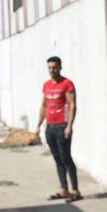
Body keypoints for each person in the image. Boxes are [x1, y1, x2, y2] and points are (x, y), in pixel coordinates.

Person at [35, 56, 80, 202]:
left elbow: (72, 105)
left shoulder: (67, 84)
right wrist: (38, 125)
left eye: (54, 67)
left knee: (66, 158)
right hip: (50, 127)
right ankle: (64, 189)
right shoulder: (46, 85)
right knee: (57, 159)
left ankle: (75, 190)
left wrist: (69, 126)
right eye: (49, 67)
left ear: (60, 67)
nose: (51, 70)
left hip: (62, 126)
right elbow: (44, 106)